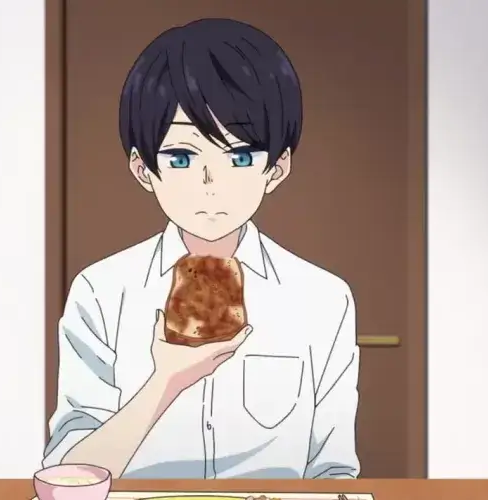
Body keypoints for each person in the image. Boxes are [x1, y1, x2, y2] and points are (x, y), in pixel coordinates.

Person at [44, 18, 360, 480]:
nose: (211, 183)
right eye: (181, 157)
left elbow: (334, 473)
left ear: (278, 168)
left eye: (240, 156)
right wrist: (165, 381)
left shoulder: (323, 298)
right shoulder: (102, 291)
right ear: (142, 169)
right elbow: (67, 477)